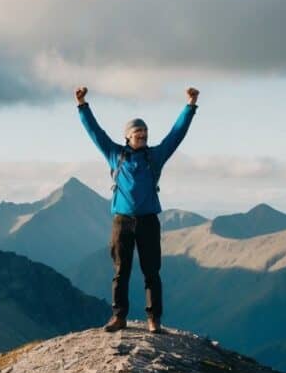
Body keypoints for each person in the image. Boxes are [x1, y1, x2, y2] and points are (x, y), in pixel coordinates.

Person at [75, 85, 199, 333]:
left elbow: (176, 134)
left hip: (148, 221)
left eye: (144, 131)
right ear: (128, 136)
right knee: (121, 271)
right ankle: (119, 317)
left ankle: (153, 320)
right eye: (137, 131)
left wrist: (190, 105)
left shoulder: (155, 156)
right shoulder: (115, 154)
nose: (142, 134)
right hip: (122, 221)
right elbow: (95, 132)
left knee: (151, 272)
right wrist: (82, 105)